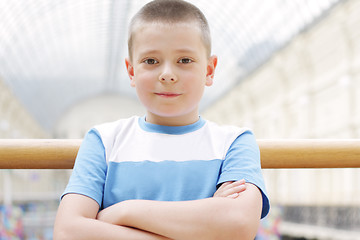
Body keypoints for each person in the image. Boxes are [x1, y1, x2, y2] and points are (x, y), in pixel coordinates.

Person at [53, 0, 270, 239]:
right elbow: (68, 232)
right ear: (131, 71)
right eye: (151, 61)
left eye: (184, 60)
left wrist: (123, 212)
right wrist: (205, 221)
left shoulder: (234, 142)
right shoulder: (104, 141)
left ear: (209, 70)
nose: (167, 74)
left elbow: (238, 224)